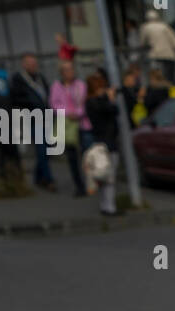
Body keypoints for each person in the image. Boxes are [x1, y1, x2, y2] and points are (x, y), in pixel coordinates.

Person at [9, 53, 55, 190]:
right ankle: (48, 180)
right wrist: (31, 103)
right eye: (30, 64)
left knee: (48, 150)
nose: (34, 66)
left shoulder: (40, 78)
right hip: (32, 118)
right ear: (24, 65)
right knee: (42, 149)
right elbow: (15, 98)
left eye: (35, 63)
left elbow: (47, 94)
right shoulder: (18, 79)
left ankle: (37, 177)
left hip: (46, 117)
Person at [83, 72, 121, 216]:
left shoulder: (90, 102)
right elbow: (112, 110)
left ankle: (105, 205)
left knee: (105, 176)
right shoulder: (96, 103)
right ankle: (110, 208)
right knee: (109, 176)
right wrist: (111, 98)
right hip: (108, 142)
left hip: (100, 141)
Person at [49, 59, 88, 196]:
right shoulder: (56, 86)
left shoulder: (80, 85)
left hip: (82, 123)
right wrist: (68, 113)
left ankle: (90, 182)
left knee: (86, 154)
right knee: (72, 157)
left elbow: (83, 102)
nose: (69, 72)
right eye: (65, 70)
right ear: (61, 73)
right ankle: (79, 185)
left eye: (71, 69)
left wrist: (77, 113)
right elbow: (54, 103)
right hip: (66, 125)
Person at [140, 8, 175, 87]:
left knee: (158, 76)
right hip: (169, 55)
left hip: (156, 55)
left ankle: (162, 90)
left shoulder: (145, 27)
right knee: (171, 77)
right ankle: (171, 90)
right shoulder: (164, 26)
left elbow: (143, 42)